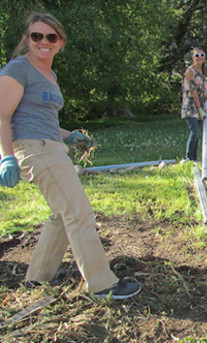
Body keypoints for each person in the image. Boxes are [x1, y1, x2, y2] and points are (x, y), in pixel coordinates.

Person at [0, 12, 141, 299]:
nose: (43, 42)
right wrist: (7, 157)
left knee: (62, 214)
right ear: (27, 38)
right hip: (34, 151)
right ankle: (102, 285)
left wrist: (70, 135)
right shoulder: (18, 69)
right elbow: (3, 115)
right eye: (36, 36)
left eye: (51, 37)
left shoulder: (50, 75)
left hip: (50, 146)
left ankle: (38, 279)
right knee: (78, 212)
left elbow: (43, 121)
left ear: (60, 42)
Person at [181, 47, 207, 162]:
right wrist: (199, 109)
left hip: (200, 106)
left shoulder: (201, 71)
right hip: (191, 107)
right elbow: (193, 91)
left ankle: (194, 158)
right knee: (195, 132)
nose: (200, 57)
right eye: (197, 55)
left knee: (197, 133)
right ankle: (189, 157)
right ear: (192, 58)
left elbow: (204, 89)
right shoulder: (190, 71)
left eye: (202, 55)